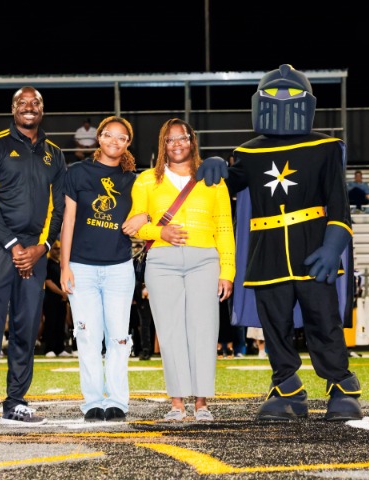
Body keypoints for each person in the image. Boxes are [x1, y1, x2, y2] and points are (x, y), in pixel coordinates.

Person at [197, 64, 363, 422]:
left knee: (324, 322)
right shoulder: (248, 152)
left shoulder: (325, 147)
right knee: (274, 325)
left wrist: (333, 247)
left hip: (313, 249)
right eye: (274, 93)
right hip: (267, 253)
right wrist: (214, 164)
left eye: (290, 93)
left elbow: (339, 205)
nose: (282, 100)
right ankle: (287, 388)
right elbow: (225, 188)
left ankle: (342, 387)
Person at [0, 86, 66, 428]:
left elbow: (58, 207)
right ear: (13, 109)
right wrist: (13, 245)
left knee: (26, 330)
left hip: (35, 252)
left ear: (42, 109)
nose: (29, 106)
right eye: (22, 102)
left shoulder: (55, 154)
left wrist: (43, 247)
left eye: (35, 102)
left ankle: (16, 403)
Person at [127, 118, 235, 422]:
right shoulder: (146, 180)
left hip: (205, 259)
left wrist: (227, 270)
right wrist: (160, 232)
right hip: (162, 261)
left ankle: (201, 403)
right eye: (170, 139)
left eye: (183, 138)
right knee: (170, 331)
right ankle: (177, 403)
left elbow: (224, 227)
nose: (177, 144)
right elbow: (135, 226)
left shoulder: (212, 178)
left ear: (192, 141)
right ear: (163, 144)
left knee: (204, 329)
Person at [60, 115, 147, 423]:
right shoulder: (77, 172)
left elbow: (156, 206)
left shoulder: (134, 180)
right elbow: (68, 220)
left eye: (122, 138)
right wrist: (64, 266)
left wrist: (145, 217)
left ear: (127, 144)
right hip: (81, 268)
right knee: (87, 336)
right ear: (99, 137)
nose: (114, 141)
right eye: (109, 135)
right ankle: (93, 401)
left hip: (119, 269)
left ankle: (117, 401)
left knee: (119, 338)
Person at [41, 240, 70, 357]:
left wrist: (65, 294)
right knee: (51, 323)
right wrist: (62, 293)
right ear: (50, 250)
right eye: (55, 249)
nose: (58, 251)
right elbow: (48, 282)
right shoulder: (47, 263)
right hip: (51, 299)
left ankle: (60, 348)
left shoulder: (61, 265)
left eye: (59, 249)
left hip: (61, 299)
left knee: (61, 324)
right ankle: (49, 348)